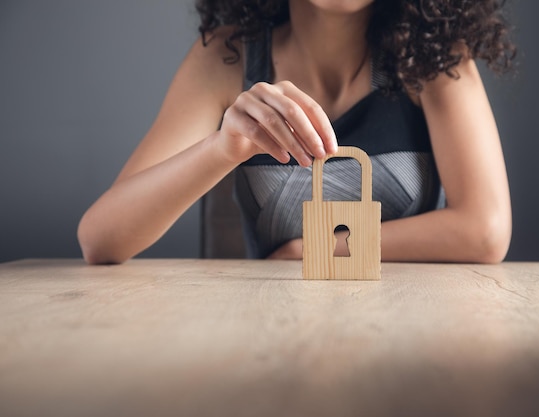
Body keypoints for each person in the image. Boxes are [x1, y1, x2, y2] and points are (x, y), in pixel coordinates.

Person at [77, 0, 516, 265]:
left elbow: (485, 230)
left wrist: (319, 248)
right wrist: (221, 149)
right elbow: (100, 239)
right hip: (274, 334)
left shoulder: (436, 60)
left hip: (419, 335)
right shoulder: (226, 57)